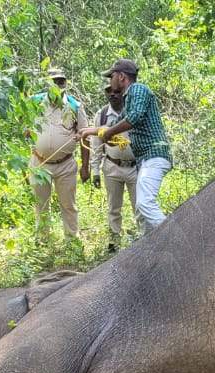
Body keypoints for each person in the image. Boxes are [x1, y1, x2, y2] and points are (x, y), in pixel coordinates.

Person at [79, 59, 170, 234]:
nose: (109, 82)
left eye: (111, 76)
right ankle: (154, 245)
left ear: (121, 77)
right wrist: (88, 131)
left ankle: (171, 238)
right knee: (143, 208)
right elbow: (117, 122)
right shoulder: (130, 98)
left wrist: (109, 133)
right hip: (145, 160)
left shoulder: (137, 89)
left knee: (144, 204)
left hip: (154, 154)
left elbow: (133, 118)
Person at [30, 68, 90, 239]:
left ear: (65, 83)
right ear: (47, 84)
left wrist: (85, 167)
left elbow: (85, 137)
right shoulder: (34, 103)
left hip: (65, 164)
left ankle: (72, 239)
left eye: (61, 81)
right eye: (54, 81)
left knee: (68, 204)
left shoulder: (75, 106)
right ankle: (42, 240)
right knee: (41, 205)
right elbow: (23, 124)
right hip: (39, 163)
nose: (58, 85)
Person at [90, 85, 138, 251]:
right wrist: (94, 170)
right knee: (113, 207)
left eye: (117, 91)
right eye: (109, 91)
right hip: (112, 165)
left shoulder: (133, 112)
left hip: (134, 166)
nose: (113, 95)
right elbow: (96, 143)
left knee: (139, 205)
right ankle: (114, 241)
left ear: (123, 92)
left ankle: (144, 238)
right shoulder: (102, 115)